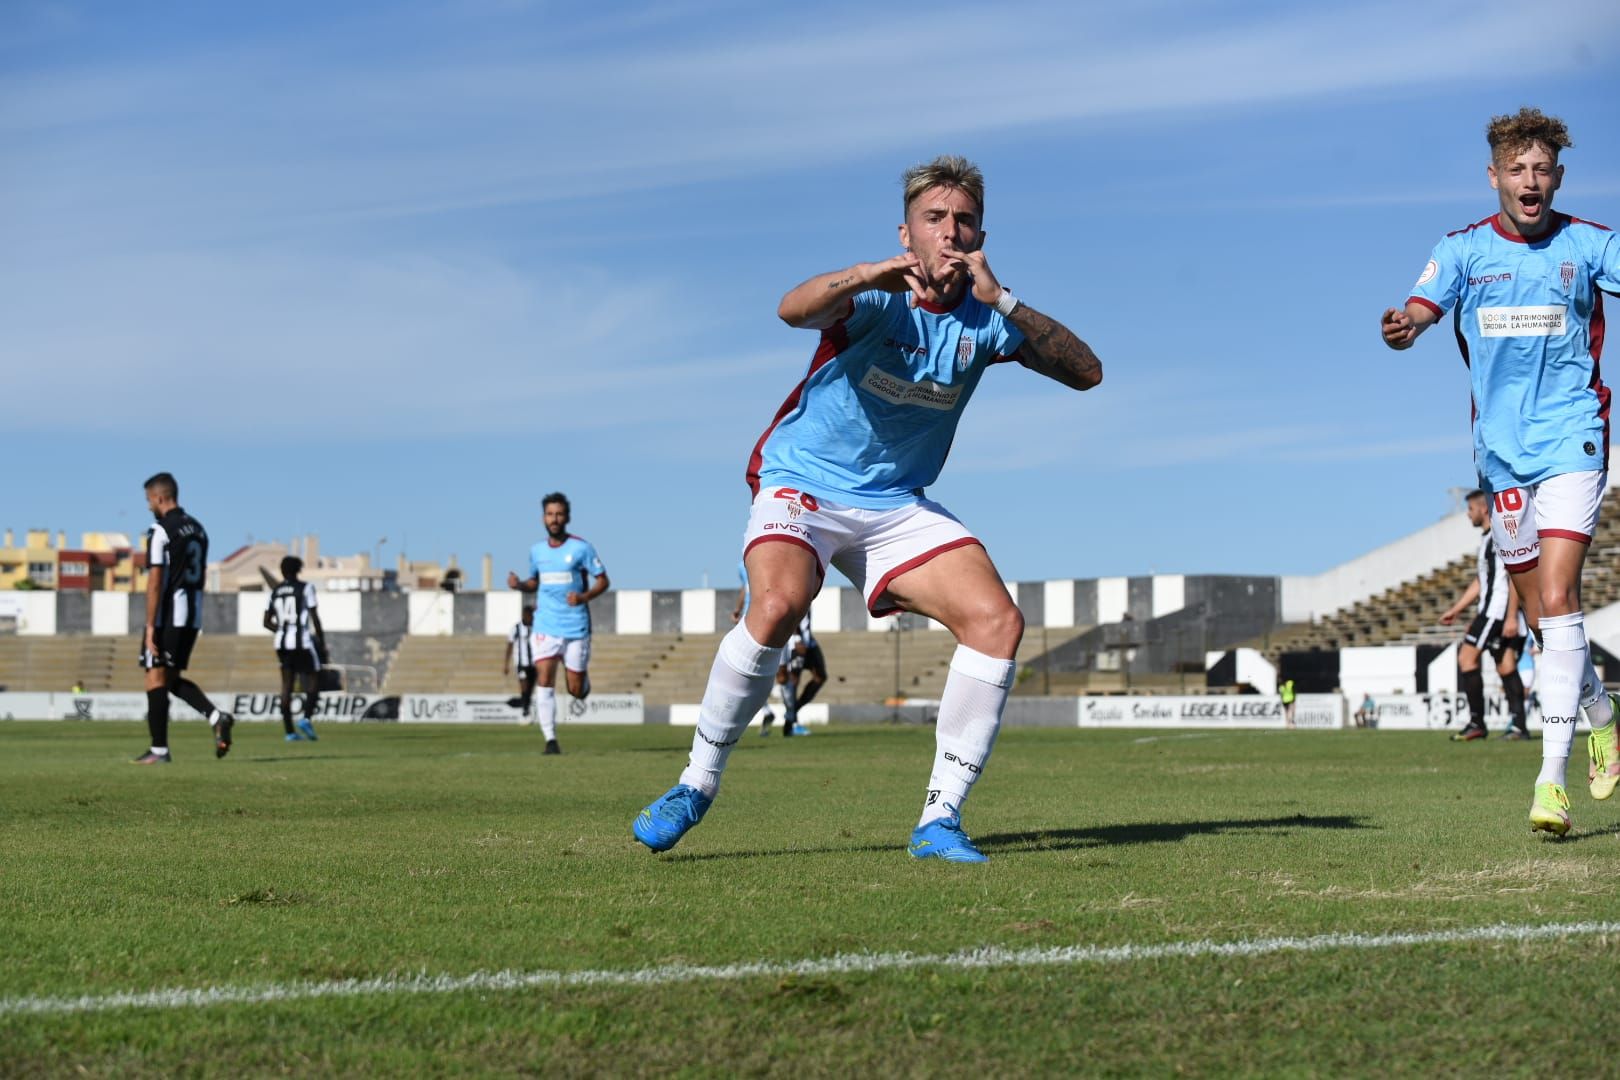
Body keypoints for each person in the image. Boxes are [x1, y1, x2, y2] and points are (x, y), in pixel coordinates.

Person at [632, 154, 1102, 861]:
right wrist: (870, 273)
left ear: (980, 234)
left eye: (964, 220)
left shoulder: (986, 319)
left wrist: (1003, 299)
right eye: (935, 218)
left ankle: (939, 820)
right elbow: (792, 308)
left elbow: (1086, 372)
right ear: (907, 232)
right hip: (803, 484)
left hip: (894, 505)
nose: (950, 231)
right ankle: (696, 785)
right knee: (778, 606)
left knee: (997, 621)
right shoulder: (879, 297)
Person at [1381, 107, 1618, 834]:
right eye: (1517, 170)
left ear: (1559, 176)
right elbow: (1419, 310)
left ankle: (1552, 782)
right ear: (1494, 177)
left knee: (1557, 591)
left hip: (1575, 437)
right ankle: (1603, 712)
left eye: (1542, 169)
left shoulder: (1590, 244)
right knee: (1546, 621)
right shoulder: (1461, 252)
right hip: (1501, 456)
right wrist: (1406, 326)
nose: (1531, 181)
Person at [132, 472, 235, 764]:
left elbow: (155, 581)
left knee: (155, 677)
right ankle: (217, 716)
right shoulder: (199, 530)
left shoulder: (161, 530)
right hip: (192, 616)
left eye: (149, 500)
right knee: (171, 677)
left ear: (160, 497)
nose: (149, 506)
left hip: (168, 616)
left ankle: (159, 750)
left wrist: (150, 626)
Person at [507, 493, 610, 755]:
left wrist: (583, 597)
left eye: (559, 514)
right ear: (543, 517)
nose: (554, 519)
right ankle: (550, 739)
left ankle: (582, 684)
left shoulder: (582, 548)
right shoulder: (536, 551)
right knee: (544, 678)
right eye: (550, 514)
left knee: (575, 690)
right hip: (545, 625)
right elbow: (535, 581)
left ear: (567, 517)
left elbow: (603, 580)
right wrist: (519, 584)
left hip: (576, 626)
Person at [1437, 490, 1529, 741]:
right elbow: (1482, 581)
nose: (1468, 514)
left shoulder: (1500, 537)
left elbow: (1513, 576)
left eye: (1470, 510)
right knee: (1505, 663)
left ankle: (1477, 722)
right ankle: (1519, 726)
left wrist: (1511, 616)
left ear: (1484, 509)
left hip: (1497, 611)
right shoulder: (1487, 539)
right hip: (1490, 610)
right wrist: (1456, 610)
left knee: (1467, 658)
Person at [264, 555, 325, 742]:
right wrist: (321, 641)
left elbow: (266, 622)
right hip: (302, 642)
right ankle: (306, 718)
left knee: (286, 687)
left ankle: (289, 732)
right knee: (314, 678)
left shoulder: (275, 592)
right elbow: (314, 616)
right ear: (298, 570)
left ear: (282, 571)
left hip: (281, 643)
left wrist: (282, 629)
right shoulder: (306, 588)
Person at [779, 611, 828, 738]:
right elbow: (792, 609)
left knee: (820, 677)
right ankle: (792, 724)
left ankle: (792, 713)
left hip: (808, 641)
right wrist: (797, 638)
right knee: (793, 679)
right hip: (796, 641)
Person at [503, 603, 538, 718]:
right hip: (521, 663)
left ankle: (525, 705)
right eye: (528, 615)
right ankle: (525, 708)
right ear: (523, 615)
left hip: (534, 663)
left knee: (530, 687)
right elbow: (509, 646)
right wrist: (506, 664)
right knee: (524, 684)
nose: (529, 617)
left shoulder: (536, 627)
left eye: (531, 615)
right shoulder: (516, 628)